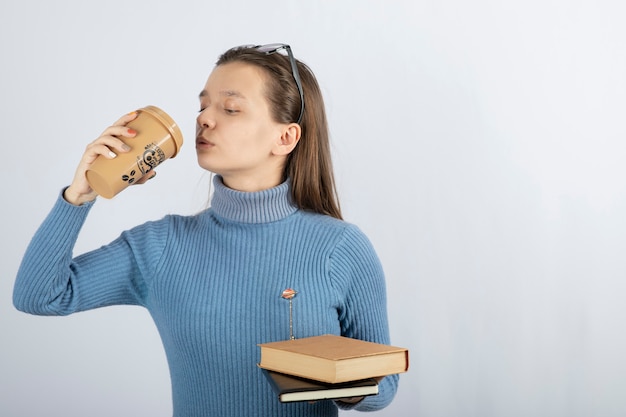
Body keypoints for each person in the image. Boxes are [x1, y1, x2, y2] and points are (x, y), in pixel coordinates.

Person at [13, 43, 399, 417]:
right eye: (203, 106)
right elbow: (39, 295)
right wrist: (80, 193)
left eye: (230, 108)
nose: (204, 118)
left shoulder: (341, 248)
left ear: (286, 138)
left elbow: (386, 388)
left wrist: (333, 380)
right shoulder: (161, 246)